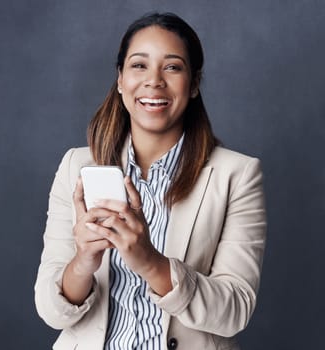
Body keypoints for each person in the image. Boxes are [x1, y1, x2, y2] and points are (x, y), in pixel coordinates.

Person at [34, 12, 267, 350]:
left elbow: (235, 311)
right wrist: (83, 261)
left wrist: (151, 263)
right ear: (120, 79)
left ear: (195, 83)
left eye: (172, 67)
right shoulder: (76, 166)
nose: (154, 81)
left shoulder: (237, 175)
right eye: (139, 65)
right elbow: (51, 311)